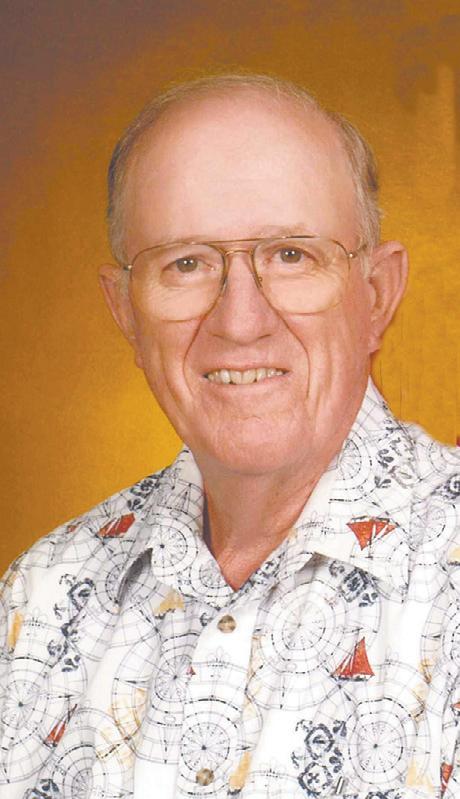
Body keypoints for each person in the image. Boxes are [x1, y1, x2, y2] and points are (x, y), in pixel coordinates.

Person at [1, 73, 459, 799]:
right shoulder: (40, 597)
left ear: (376, 295)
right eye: (185, 264)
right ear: (125, 312)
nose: (240, 321)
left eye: (291, 255)